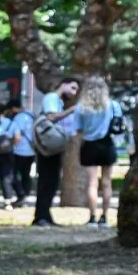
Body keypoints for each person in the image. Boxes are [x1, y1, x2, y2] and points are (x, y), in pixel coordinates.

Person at [32, 77, 79, 227]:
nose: (74, 92)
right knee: (47, 180)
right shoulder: (52, 98)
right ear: (63, 84)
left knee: (52, 181)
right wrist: (72, 110)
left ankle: (45, 215)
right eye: (72, 88)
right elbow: (51, 116)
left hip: (52, 148)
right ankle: (41, 216)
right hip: (47, 147)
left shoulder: (59, 101)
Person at [73, 75, 116, 228]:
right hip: (107, 144)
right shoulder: (112, 105)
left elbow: (77, 129)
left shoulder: (81, 107)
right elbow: (118, 122)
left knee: (92, 183)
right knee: (106, 182)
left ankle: (92, 217)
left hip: (89, 145)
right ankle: (104, 218)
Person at [6, 98, 36, 207]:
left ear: (13, 108)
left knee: (11, 174)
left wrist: (10, 145)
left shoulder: (18, 118)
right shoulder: (31, 115)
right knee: (26, 175)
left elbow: (16, 136)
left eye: (10, 110)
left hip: (20, 151)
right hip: (32, 150)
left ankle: (21, 195)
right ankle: (25, 198)